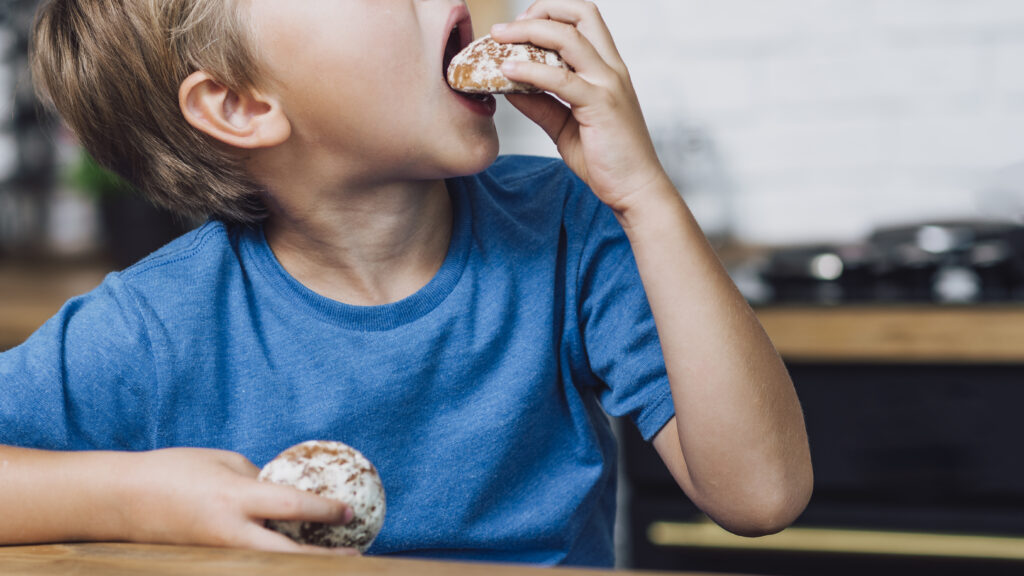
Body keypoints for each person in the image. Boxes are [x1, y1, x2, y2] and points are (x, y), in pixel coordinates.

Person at [0, 0, 813, 567]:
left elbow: (762, 495)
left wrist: (644, 196)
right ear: (240, 104)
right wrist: (138, 498)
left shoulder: (569, 228)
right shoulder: (156, 325)